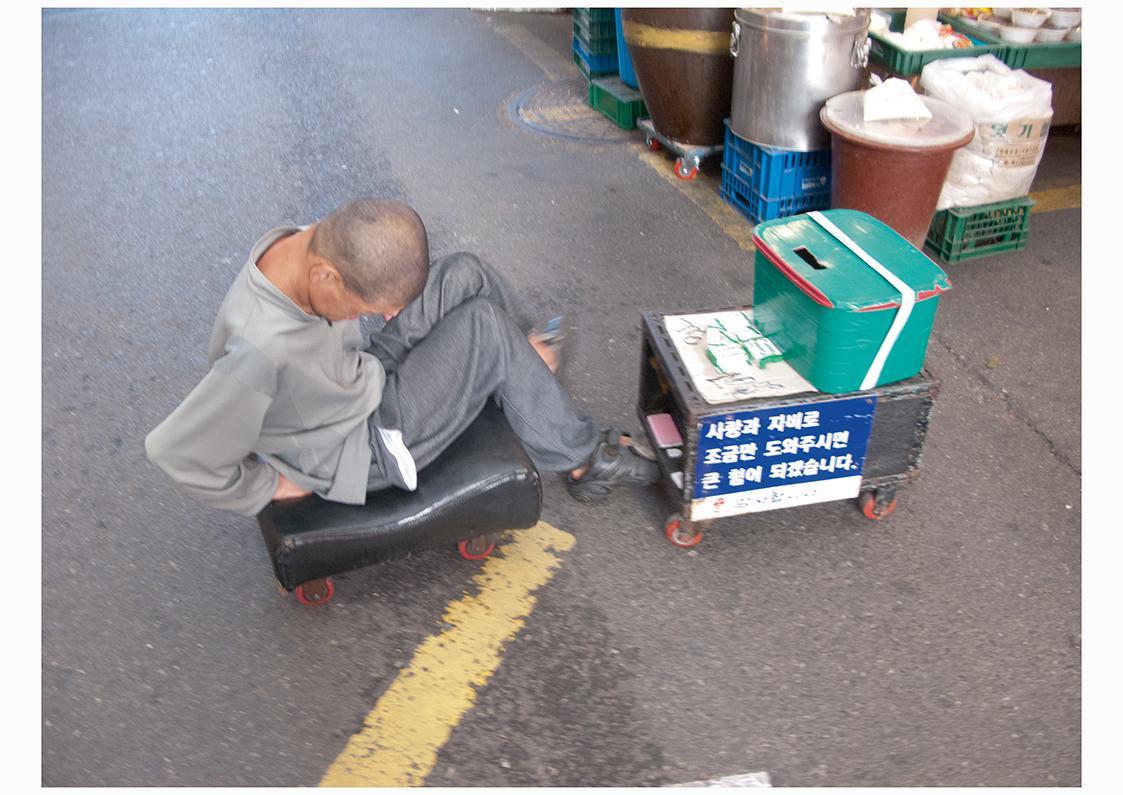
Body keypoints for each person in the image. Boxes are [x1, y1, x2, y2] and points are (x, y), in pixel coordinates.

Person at [145, 197, 658, 517]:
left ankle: (522, 373)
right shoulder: (260, 351)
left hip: (356, 376)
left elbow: (383, 281)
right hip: (361, 444)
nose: (389, 313)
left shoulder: (303, 243)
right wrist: (266, 486)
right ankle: (584, 460)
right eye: (372, 306)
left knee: (463, 273)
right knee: (482, 328)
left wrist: (380, 308)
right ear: (326, 277)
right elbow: (176, 452)